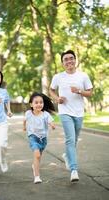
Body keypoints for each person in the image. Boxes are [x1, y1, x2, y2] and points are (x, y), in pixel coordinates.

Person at [49, 50, 93, 182]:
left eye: (71, 58)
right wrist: (57, 99)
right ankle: (73, 169)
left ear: (75, 60)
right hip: (65, 111)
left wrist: (79, 91)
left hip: (79, 112)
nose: (69, 61)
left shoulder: (83, 76)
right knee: (70, 139)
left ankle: (67, 156)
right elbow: (51, 90)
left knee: (74, 140)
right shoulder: (58, 77)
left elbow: (90, 93)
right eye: (66, 59)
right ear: (63, 63)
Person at [23, 92, 55, 184]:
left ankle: (35, 166)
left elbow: (50, 121)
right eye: (36, 102)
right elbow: (24, 121)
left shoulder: (45, 114)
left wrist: (52, 125)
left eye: (41, 102)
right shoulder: (28, 113)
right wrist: (24, 127)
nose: (39, 104)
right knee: (37, 155)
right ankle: (37, 176)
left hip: (43, 138)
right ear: (31, 104)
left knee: (38, 156)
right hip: (33, 137)